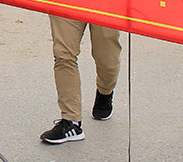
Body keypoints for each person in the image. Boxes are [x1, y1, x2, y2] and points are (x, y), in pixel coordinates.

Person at [40, 16, 122, 144]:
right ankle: (71, 121)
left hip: (106, 0)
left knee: (107, 61)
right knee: (63, 55)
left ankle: (105, 92)